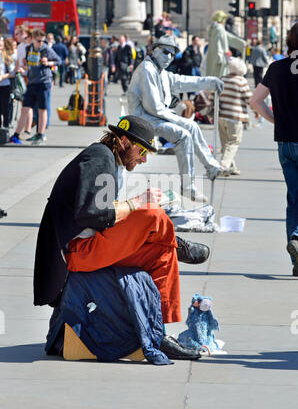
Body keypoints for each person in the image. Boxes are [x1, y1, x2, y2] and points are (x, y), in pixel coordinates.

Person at [33, 115, 211, 360]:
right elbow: (92, 214)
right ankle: (177, 243)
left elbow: (103, 211)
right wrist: (137, 203)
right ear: (124, 141)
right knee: (151, 213)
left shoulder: (111, 161)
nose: (144, 158)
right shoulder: (99, 156)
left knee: (162, 254)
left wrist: (133, 206)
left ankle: (159, 333)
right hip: (78, 251)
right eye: (142, 150)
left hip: (93, 245)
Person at [127, 34, 225, 202]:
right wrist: (179, 120)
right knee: (184, 134)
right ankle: (189, 185)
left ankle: (210, 167)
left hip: (154, 117)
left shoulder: (162, 72)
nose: (170, 57)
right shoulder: (147, 69)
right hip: (142, 119)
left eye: (173, 54)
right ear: (155, 50)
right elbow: (153, 107)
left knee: (191, 127)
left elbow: (182, 82)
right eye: (166, 52)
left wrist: (209, 82)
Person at [250, 22, 298, 277]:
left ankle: (295, 244)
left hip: (285, 141)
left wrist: (275, 119)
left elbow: (255, 101)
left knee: (293, 198)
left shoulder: (277, 67)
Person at [9, 29, 61, 145]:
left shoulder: (46, 49)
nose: (41, 43)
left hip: (44, 82)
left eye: (43, 41)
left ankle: (40, 134)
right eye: (39, 41)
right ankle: (16, 135)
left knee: (42, 109)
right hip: (32, 82)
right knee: (25, 108)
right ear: (33, 39)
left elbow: (59, 60)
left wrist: (48, 63)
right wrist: (25, 64)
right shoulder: (29, 49)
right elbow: (28, 65)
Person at [211, 57, 252, 176]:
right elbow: (249, 98)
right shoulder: (241, 81)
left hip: (221, 116)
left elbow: (213, 96)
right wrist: (256, 111)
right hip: (235, 117)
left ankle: (231, 167)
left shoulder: (222, 79)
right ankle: (224, 165)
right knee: (234, 141)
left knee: (225, 143)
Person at [206, 10, 246, 78]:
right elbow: (218, 43)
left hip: (216, 56)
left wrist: (241, 43)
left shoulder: (215, 28)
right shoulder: (219, 28)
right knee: (218, 76)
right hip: (219, 58)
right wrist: (219, 57)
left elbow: (227, 37)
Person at [0, 35, 15, 131]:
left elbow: (13, 73)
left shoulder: (6, 58)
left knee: (5, 108)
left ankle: (5, 127)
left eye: (0, 46)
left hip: (5, 86)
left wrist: (2, 77)